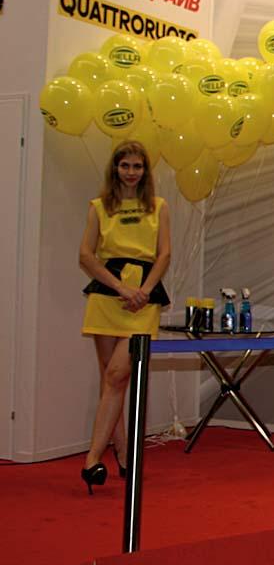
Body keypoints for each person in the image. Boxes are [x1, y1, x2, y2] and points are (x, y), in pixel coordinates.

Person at [78, 140, 171, 493]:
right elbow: (86, 255)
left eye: (137, 166)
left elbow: (164, 254)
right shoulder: (99, 207)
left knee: (118, 374)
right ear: (115, 169)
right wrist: (120, 287)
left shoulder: (158, 207)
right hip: (107, 296)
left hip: (143, 301)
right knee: (111, 381)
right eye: (125, 165)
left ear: (145, 171)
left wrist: (143, 290)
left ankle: (91, 459)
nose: (131, 172)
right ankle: (123, 454)